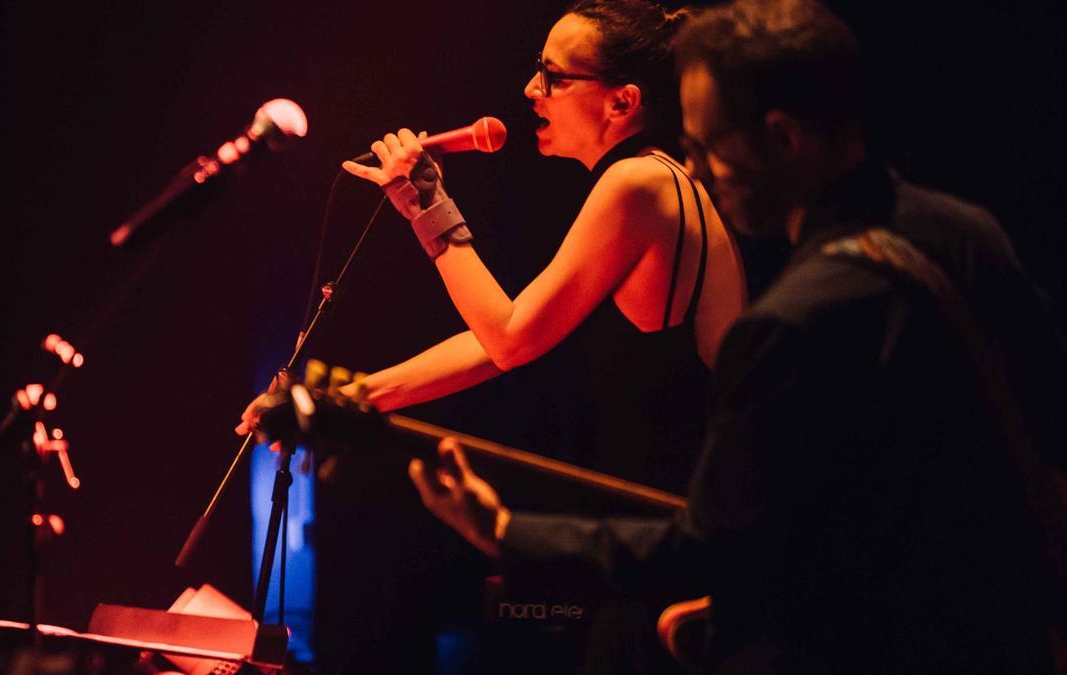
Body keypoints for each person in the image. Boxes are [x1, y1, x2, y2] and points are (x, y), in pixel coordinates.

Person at [407, 0, 1067, 672]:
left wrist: (504, 531)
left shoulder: (792, 321)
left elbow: (708, 545)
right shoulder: (971, 235)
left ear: (782, 140)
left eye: (704, 145)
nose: (698, 168)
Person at [239, 0, 747, 497]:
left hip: (680, 532)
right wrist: (346, 400)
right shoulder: (660, 179)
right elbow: (499, 339)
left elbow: (510, 339)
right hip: (673, 519)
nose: (531, 90)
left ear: (622, 102)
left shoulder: (639, 184)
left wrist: (428, 207)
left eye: (553, 76)